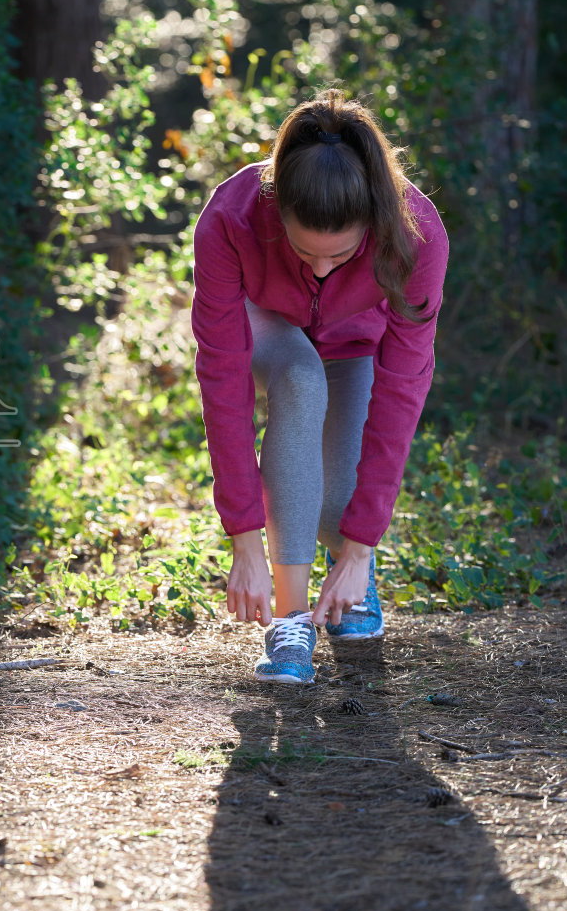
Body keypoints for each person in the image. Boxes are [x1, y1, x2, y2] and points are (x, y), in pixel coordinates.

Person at [190, 89, 449, 683]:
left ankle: (353, 568)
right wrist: (244, 540)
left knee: (338, 510)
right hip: (270, 324)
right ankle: (290, 620)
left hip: (357, 339)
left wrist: (360, 545)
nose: (322, 269)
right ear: (277, 210)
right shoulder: (231, 218)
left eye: (341, 254)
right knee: (301, 381)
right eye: (305, 252)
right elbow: (224, 382)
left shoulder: (418, 235)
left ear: (373, 224)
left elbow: (403, 386)